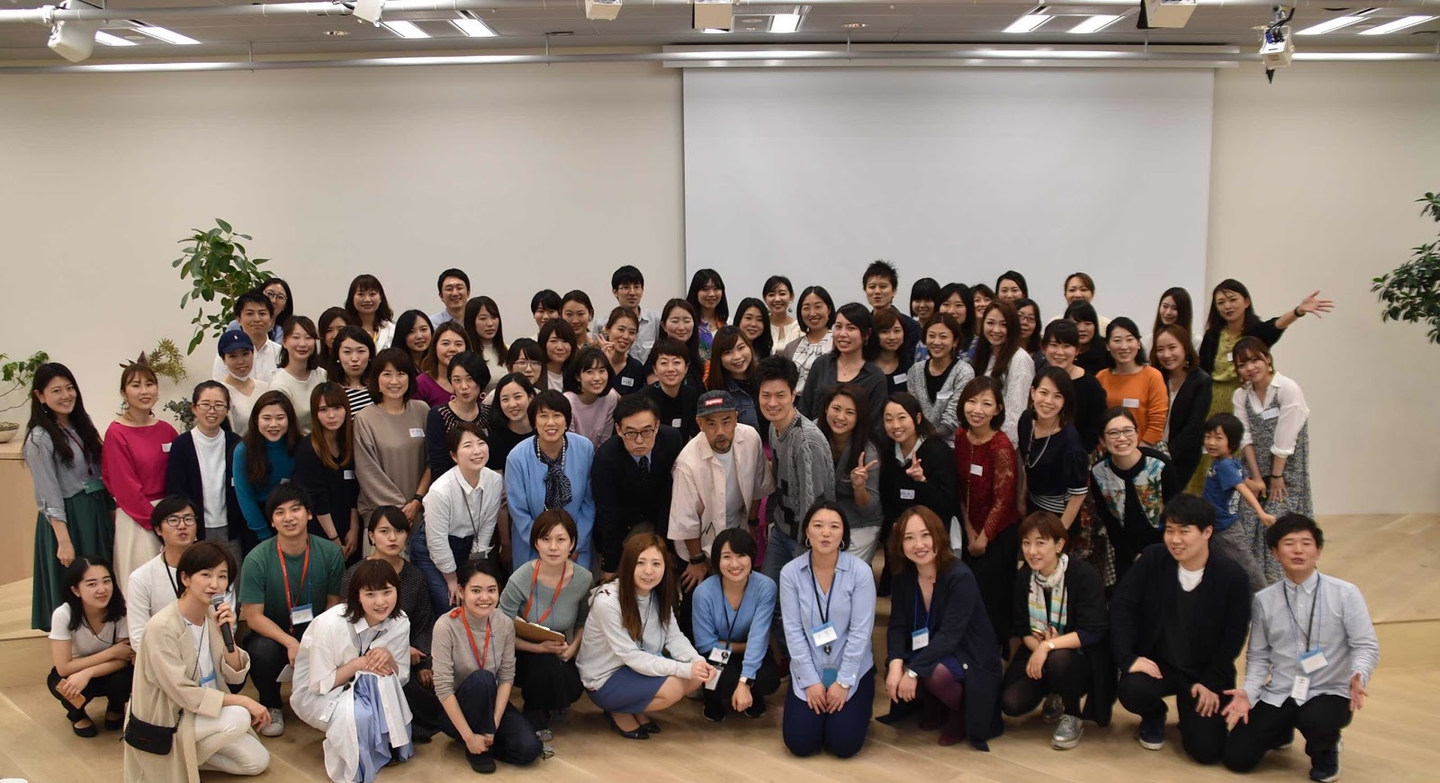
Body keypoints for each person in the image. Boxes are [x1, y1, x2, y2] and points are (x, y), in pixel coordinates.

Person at [1222, 515, 1381, 782]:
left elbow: (1365, 645)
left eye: (1306, 543)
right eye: (1289, 544)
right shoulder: (1264, 600)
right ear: (1275, 553)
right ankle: (1281, 729)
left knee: (1316, 719)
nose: (1298, 550)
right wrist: (1249, 691)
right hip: (1282, 690)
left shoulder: (1345, 593)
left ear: (1318, 550)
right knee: (1237, 759)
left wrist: (1359, 674)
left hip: (1329, 690)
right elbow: (1259, 656)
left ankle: (1327, 750)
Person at [1110, 494, 1251, 763]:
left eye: (1184, 532)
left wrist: (1211, 682)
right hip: (1160, 665)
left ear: (1207, 532)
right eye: (1170, 530)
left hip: (1203, 672)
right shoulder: (1153, 559)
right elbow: (1121, 604)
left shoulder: (1232, 576)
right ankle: (1154, 714)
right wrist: (1128, 658)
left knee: (1207, 752)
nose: (1175, 540)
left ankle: (1190, 714)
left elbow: (1234, 636)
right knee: (1132, 688)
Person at [124, 541, 272, 780]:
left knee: (257, 762)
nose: (215, 584)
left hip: (205, 713)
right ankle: (176, 762)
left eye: (222, 576)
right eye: (206, 575)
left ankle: (187, 759)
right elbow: (182, 692)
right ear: (185, 578)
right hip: (172, 716)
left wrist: (228, 636)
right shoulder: (162, 627)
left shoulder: (213, 617)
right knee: (239, 716)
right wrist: (243, 700)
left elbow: (235, 676)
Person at [882, 505, 1002, 750]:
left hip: (966, 651)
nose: (919, 545)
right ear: (900, 545)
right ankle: (933, 703)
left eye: (925, 535)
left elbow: (950, 635)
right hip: (930, 645)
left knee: (934, 673)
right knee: (896, 667)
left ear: (938, 536)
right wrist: (895, 666)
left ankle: (959, 712)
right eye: (909, 538)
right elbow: (897, 626)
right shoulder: (903, 576)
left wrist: (913, 672)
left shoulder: (960, 576)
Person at [578, 532, 713, 738]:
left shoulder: (657, 594)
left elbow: (674, 637)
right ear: (628, 564)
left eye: (656, 564)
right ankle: (618, 709)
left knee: (695, 677)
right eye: (640, 563)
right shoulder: (607, 601)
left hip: (635, 669)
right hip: (605, 678)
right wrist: (684, 669)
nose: (649, 571)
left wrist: (697, 662)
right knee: (675, 687)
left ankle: (632, 706)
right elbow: (631, 655)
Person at [291, 559, 415, 782]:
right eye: (370, 594)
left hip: (365, 689)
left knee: (383, 676)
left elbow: (401, 677)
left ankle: (385, 748)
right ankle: (359, 761)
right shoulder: (331, 625)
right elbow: (319, 685)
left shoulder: (400, 621)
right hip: (319, 692)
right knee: (360, 715)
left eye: (387, 592)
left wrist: (390, 659)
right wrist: (357, 665)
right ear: (357, 595)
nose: (381, 602)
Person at [239, 484, 346, 735]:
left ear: (309, 514)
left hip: (318, 633)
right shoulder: (257, 559)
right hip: (275, 636)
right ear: (272, 522)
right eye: (280, 512)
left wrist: (313, 642)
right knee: (261, 650)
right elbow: (253, 617)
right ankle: (271, 704)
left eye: (295, 509)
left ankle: (328, 700)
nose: (288, 518)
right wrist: (290, 642)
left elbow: (333, 605)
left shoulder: (330, 553)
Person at [1001, 511, 1113, 751]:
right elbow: (1022, 628)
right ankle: (1054, 692)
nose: (1032, 551)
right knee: (1011, 703)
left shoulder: (1083, 574)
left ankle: (1072, 715)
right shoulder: (1024, 577)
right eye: (1026, 543)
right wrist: (1040, 648)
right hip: (1037, 651)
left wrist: (1048, 646)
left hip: (1080, 657)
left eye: (1040, 543)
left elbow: (1093, 630)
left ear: (1059, 545)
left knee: (1059, 659)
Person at [779, 502, 877, 758]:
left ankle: (859, 706)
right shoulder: (791, 573)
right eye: (818, 525)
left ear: (843, 534)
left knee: (844, 745)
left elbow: (860, 633)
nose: (826, 533)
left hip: (850, 667)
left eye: (834, 526)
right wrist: (811, 681)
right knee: (800, 744)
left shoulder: (860, 572)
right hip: (809, 666)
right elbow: (792, 630)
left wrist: (843, 682)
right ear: (807, 532)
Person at [432, 559, 544, 772]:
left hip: (491, 703)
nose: (485, 597)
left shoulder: (504, 623)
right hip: (457, 709)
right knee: (482, 678)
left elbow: (507, 677)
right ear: (461, 591)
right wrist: (468, 735)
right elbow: (443, 688)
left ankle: (484, 741)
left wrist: (493, 725)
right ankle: (473, 746)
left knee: (529, 750)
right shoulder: (445, 626)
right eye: (476, 590)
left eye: (491, 590)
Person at [25, 362, 114, 632]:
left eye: (69, 388)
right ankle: (72, 641)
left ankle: (102, 634)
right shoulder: (39, 438)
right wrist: (63, 541)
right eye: (56, 391)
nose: (66, 395)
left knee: (101, 579)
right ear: (40, 396)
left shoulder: (81, 425)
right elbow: (48, 493)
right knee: (76, 580)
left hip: (95, 512)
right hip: (70, 518)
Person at [670, 390, 775, 616]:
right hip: (699, 543)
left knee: (742, 599)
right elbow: (686, 520)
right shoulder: (687, 463)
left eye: (726, 422)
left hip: (737, 528)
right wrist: (697, 560)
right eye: (711, 424)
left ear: (736, 418)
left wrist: (752, 524)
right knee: (697, 604)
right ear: (700, 424)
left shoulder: (751, 438)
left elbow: (758, 487)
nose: (720, 431)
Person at [340, 508, 439, 741]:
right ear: (371, 536)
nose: (392, 538)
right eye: (384, 531)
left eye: (399, 531)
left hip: (409, 658)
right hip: (364, 657)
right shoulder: (354, 575)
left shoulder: (415, 576)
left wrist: (424, 662)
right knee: (394, 685)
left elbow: (424, 623)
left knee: (434, 685)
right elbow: (349, 625)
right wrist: (398, 649)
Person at [498, 510, 594, 739]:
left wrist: (573, 648)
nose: (553, 547)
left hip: (558, 647)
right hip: (520, 649)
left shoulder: (584, 579)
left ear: (572, 543)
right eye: (545, 539)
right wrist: (537, 648)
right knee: (544, 663)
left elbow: (583, 621)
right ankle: (533, 711)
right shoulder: (521, 578)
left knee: (572, 687)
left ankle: (548, 702)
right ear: (536, 543)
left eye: (561, 539)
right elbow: (499, 628)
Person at [1233, 336, 1313, 585]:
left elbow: (1285, 439)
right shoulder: (1241, 395)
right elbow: (1245, 437)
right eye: (1242, 364)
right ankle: (1255, 588)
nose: (1250, 368)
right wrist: (1257, 478)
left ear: (1267, 359)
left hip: (1286, 472)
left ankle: (1284, 584)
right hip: (1254, 471)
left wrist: (1276, 477)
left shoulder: (1287, 388)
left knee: (1280, 527)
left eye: (1255, 360)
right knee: (1248, 525)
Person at [1198, 279, 1332, 425]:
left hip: (1247, 401)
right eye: (1221, 302)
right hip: (1212, 403)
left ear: (1246, 302)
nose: (1227, 306)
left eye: (1232, 300)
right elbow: (1202, 370)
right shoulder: (1213, 335)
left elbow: (1277, 325)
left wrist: (1298, 311)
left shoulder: (1256, 331)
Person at [756, 356, 836, 586]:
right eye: (766, 395)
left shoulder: (806, 443)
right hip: (781, 529)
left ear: (793, 395)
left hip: (805, 538)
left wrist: (805, 553)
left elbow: (813, 505)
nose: (772, 403)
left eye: (780, 395)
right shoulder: (774, 427)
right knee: (767, 593)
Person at [954, 376, 1020, 643]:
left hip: (998, 535)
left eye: (986, 403)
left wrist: (983, 538)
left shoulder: (1000, 447)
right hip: (969, 530)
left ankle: (994, 653)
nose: (977, 409)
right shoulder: (961, 437)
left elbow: (1003, 501)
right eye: (972, 401)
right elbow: (960, 490)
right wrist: (970, 531)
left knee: (990, 600)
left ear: (998, 409)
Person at [103, 360, 178, 596]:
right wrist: (157, 523)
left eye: (149, 384)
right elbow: (125, 488)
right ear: (124, 393)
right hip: (138, 519)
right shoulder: (117, 433)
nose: (144, 391)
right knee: (143, 587)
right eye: (136, 385)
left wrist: (174, 518)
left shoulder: (167, 430)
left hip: (170, 516)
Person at [692, 528, 781, 722]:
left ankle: (754, 695)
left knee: (768, 678)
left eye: (741, 556)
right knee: (720, 679)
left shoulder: (765, 587)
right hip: (718, 653)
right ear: (717, 560)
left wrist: (745, 681)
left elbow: (759, 636)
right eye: (727, 557)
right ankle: (713, 700)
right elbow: (705, 645)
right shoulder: (703, 592)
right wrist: (743, 647)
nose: (734, 564)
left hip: (751, 648)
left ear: (752, 557)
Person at [127, 496, 236, 652]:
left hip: (211, 651)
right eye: (173, 520)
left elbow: (228, 625)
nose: (182, 525)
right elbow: (138, 638)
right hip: (162, 655)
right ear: (158, 529)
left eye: (188, 519)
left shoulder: (217, 570)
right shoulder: (141, 578)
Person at [593, 393, 684, 578]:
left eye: (647, 431)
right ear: (619, 430)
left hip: (664, 519)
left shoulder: (672, 440)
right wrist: (610, 565)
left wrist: (664, 547)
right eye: (631, 433)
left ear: (657, 426)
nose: (640, 440)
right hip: (623, 525)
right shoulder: (606, 458)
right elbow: (608, 515)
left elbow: (671, 496)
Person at [504, 390, 597, 571]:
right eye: (543, 416)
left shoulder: (584, 448)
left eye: (557, 415)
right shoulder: (517, 457)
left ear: (567, 420)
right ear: (533, 421)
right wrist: (546, 546)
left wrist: (572, 545)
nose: (551, 422)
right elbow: (518, 512)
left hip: (576, 547)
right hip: (532, 547)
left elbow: (589, 502)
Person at [418, 424, 503, 614]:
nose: (477, 451)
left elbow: (487, 525)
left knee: (477, 600)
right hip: (432, 550)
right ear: (454, 456)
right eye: (467, 446)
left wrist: (475, 567)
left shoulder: (495, 480)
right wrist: (452, 579)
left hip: (468, 546)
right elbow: (437, 541)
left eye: (481, 443)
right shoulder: (440, 491)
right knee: (452, 605)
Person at [354, 349, 432, 555]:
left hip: (420, 513)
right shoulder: (365, 418)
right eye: (387, 374)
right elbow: (368, 473)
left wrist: (417, 501)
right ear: (376, 379)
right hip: (383, 519)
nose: (394, 381)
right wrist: (400, 511)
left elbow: (431, 460)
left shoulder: (422, 410)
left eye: (401, 374)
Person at [47, 556, 132, 737]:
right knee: (66, 686)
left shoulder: (122, 610)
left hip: (108, 670)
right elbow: (63, 668)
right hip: (74, 671)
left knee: (125, 679)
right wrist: (111, 652)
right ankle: (76, 714)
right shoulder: (63, 614)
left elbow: (124, 658)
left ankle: (116, 706)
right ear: (75, 590)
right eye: (92, 584)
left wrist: (88, 672)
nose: (102, 589)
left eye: (107, 581)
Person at [1091, 408, 1180, 580]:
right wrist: (1133, 555)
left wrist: (1157, 552)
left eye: (1128, 431)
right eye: (1113, 433)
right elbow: (1110, 522)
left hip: (1166, 549)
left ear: (1137, 433)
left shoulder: (1159, 464)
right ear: (1102, 440)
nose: (1122, 438)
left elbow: (1176, 512)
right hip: (1126, 554)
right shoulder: (1099, 472)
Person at [166, 382, 247, 564]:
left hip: (231, 529)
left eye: (219, 405)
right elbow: (176, 490)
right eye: (205, 405)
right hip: (195, 529)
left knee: (233, 577)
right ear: (194, 408)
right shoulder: (182, 445)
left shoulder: (236, 443)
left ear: (227, 409)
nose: (212, 411)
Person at [879, 393, 962, 557]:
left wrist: (922, 481)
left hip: (934, 533)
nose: (895, 425)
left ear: (917, 418)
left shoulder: (938, 451)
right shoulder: (887, 451)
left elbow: (947, 503)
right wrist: (896, 524)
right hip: (900, 533)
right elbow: (886, 497)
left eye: (902, 418)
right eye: (888, 419)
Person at [1202, 413, 1272, 590]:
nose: (1211, 442)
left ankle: (1266, 598)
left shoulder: (1224, 466)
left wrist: (1261, 513)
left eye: (1218, 438)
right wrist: (1256, 485)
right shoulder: (1228, 461)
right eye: (1208, 437)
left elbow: (1243, 489)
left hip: (1226, 529)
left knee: (1249, 569)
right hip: (1216, 526)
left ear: (1231, 442)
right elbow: (1245, 481)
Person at [293, 383, 362, 561]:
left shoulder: (350, 443)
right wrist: (334, 539)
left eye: (337, 408)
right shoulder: (308, 450)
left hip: (350, 529)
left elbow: (355, 490)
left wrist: (354, 529)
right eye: (323, 410)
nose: (331, 415)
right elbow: (317, 500)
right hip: (321, 532)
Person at [817, 385, 884, 564]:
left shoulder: (868, 451)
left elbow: (869, 510)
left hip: (858, 523)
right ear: (826, 408)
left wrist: (859, 487)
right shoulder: (813, 434)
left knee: (844, 571)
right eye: (836, 409)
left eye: (849, 412)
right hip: (821, 520)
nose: (840, 417)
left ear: (859, 417)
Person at [1017, 368, 1090, 531]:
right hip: (1032, 503)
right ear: (1033, 392)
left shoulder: (1070, 442)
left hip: (1058, 514)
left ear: (1065, 401)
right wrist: (1022, 499)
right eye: (1043, 392)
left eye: (1057, 396)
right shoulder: (1026, 420)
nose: (1048, 401)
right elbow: (1028, 464)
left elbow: (1078, 495)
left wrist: (1060, 532)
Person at [799, 302, 887, 425]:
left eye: (851, 328)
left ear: (867, 334)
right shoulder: (821, 364)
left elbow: (875, 425)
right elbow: (804, 409)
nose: (842, 334)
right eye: (838, 327)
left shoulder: (875, 377)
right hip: (816, 435)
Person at [232, 391, 301, 546]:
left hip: (295, 520)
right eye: (266, 418)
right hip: (258, 523)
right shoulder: (243, 450)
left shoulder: (299, 445)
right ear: (256, 420)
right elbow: (245, 497)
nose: (273, 424)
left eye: (280, 418)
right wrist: (264, 534)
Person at [1154, 324, 1213, 493]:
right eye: (1160, 349)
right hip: (1152, 449)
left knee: (1171, 498)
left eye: (1172, 347)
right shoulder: (1155, 376)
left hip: (1183, 455)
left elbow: (1195, 425)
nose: (1166, 355)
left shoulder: (1201, 380)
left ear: (1186, 348)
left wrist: (1167, 455)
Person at [1096, 318, 1169, 448]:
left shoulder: (1152, 376)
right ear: (1107, 345)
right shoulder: (1101, 377)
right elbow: (1096, 419)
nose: (1124, 346)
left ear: (1138, 343)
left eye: (1130, 340)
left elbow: (1157, 423)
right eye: (1117, 340)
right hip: (1110, 450)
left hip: (1145, 449)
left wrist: (1135, 454)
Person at [971, 300, 1035, 443]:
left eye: (1003, 325)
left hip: (1004, 443)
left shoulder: (1019, 360)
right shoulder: (984, 354)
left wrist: (1003, 446)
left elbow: (1016, 414)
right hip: (982, 437)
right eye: (990, 323)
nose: (996, 330)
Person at [906, 313, 974, 447]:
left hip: (952, 445)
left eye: (943, 337)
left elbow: (954, 417)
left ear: (955, 341)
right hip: (917, 443)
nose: (936, 342)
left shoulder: (964, 371)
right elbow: (912, 410)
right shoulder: (915, 371)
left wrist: (928, 438)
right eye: (931, 336)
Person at [1040, 320, 1107, 453]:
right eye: (1054, 345)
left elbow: (1097, 425)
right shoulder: (1039, 378)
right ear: (1043, 348)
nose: (1060, 352)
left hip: (1079, 455)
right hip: (1042, 452)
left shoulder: (1090, 385)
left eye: (1067, 346)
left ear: (1077, 350)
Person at [424, 350, 488, 478]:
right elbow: (438, 466)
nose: (463, 386)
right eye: (457, 380)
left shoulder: (489, 413)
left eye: (470, 379)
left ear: (481, 380)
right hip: (449, 485)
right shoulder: (439, 415)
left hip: (486, 483)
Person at [268, 316, 327, 435]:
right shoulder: (279, 384)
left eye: (308, 338)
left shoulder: (321, 374)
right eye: (296, 337)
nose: (302, 344)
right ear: (284, 342)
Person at [590, 265, 660, 361]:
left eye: (636, 287)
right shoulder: (601, 324)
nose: (632, 292)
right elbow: (594, 357)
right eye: (626, 287)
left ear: (642, 290)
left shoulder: (654, 320)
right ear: (615, 291)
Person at [211, 291, 281, 384]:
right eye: (250, 314)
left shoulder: (281, 353)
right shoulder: (227, 354)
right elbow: (219, 388)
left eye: (262, 313)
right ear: (238, 319)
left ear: (271, 320)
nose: (257, 319)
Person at [779, 285, 836, 395]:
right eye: (806, 308)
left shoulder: (839, 344)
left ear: (829, 310)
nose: (812, 313)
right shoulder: (791, 348)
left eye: (818, 306)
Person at [862, 260, 922, 362]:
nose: (877, 291)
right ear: (865, 290)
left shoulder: (911, 326)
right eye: (872, 287)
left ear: (894, 291)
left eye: (883, 286)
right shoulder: (862, 324)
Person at [641, 337, 699, 441]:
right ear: (655, 369)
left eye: (676, 362)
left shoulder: (692, 395)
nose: (670, 369)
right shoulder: (643, 399)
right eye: (664, 363)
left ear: (686, 367)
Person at [564, 345, 621, 448]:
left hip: (600, 455)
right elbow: (572, 444)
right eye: (589, 372)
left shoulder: (610, 397)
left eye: (601, 371)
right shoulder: (567, 402)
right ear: (577, 376)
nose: (597, 378)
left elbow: (605, 441)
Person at [216, 330, 270, 435]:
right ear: (223, 359)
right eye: (233, 356)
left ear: (253, 354)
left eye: (245, 354)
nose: (240, 361)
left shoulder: (265, 388)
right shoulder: (221, 394)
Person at [706, 326, 761, 429]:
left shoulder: (766, 378)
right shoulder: (717, 393)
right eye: (727, 352)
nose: (737, 356)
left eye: (741, 348)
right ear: (719, 358)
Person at [645, 298, 707, 389]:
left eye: (687, 321)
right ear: (664, 326)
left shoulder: (696, 358)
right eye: (675, 321)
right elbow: (657, 393)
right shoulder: (657, 357)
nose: (681, 327)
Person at [485, 373, 536, 471]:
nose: (512, 404)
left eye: (518, 397)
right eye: (505, 399)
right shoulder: (496, 439)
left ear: (531, 397)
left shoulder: (543, 432)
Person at [415, 322, 469, 408]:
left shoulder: (476, 381)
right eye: (445, 344)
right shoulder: (421, 384)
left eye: (458, 344)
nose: (452, 349)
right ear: (435, 347)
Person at [598, 306, 649, 395]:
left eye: (632, 332)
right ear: (607, 330)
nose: (626, 336)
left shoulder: (636, 368)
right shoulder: (591, 361)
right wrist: (606, 364)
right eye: (621, 330)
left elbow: (637, 401)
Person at [462, 297, 507, 393]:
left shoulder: (508, 350)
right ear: (471, 322)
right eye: (483, 318)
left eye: (494, 317)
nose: (490, 323)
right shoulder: (464, 354)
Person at [330, 326, 377, 415]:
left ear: (370, 354)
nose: (354, 358)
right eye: (347, 352)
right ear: (337, 355)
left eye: (361, 351)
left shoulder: (380, 386)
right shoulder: (332, 391)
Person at [687, 268, 729, 363]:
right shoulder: (688, 324)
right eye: (705, 289)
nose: (711, 294)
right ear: (695, 292)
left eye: (716, 288)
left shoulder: (728, 323)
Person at [345, 274, 396, 350]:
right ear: (352, 298)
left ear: (380, 298)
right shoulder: (345, 328)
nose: (367, 299)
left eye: (372, 294)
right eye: (361, 294)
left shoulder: (391, 330)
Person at [872, 307, 913, 396]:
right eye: (885, 332)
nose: (892, 337)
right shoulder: (865, 366)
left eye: (897, 331)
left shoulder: (910, 366)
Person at [1145, 287, 1197, 353]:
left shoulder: (1195, 341)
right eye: (1165, 306)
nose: (1168, 312)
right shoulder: (1151, 339)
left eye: (1174, 308)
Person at [1065, 301, 1111, 377]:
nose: (1082, 329)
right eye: (1076, 324)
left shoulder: (1107, 353)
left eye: (1087, 324)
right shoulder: (1061, 353)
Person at [937, 283, 976, 362]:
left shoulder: (978, 345)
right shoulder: (927, 342)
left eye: (958, 305)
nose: (951, 311)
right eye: (946, 304)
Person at [763, 275, 803, 351]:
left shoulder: (799, 328)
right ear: (765, 299)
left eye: (782, 294)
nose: (777, 299)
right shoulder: (761, 326)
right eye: (771, 295)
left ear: (791, 297)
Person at [538, 319, 578, 393]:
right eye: (553, 341)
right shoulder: (535, 374)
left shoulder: (575, 374)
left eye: (565, 341)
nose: (560, 347)